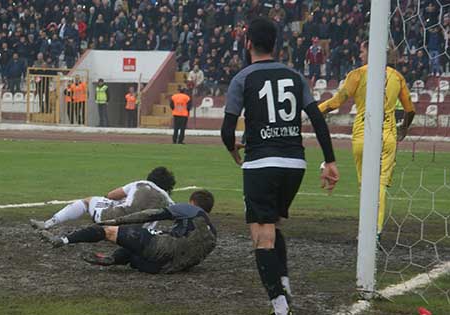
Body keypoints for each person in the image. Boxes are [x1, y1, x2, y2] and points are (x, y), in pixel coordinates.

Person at [220, 18, 339, 315]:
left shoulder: (242, 78)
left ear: (248, 43)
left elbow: (227, 128)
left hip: (261, 163)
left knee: (261, 236)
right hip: (294, 164)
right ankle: (284, 281)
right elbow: (317, 119)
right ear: (276, 44)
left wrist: (232, 147)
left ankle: (280, 307)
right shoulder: (295, 76)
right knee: (272, 223)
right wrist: (329, 161)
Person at [318, 40, 416, 238]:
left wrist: (313, 111)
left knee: (366, 185)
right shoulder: (397, 77)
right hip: (387, 137)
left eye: (362, 51)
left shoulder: (358, 74)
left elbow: (335, 103)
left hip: (363, 136)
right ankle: (376, 229)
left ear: (371, 52)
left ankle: (366, 230)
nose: (360, 55)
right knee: (379, 184)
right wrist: (404, 127)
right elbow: (410, 109)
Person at [38, 190, 217, 274]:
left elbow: (150, 215)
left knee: (107, 231)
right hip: (163, 268)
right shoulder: (213, 234)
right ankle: (112, 260)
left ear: (193, 202)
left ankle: (63, 240)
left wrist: (118, 221)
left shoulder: (189, 209)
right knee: (137, 250)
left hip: (161, 251)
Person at [30, 166, 175, 230]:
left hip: (112, 219)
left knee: (87, 201)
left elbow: (112, 194)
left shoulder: (141, 184)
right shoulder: (169, 202)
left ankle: (48, 223)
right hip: (138, 234)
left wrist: (105, 201)